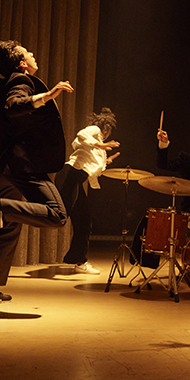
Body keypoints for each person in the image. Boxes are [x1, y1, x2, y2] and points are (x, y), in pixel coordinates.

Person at [0, 40, 74, 304]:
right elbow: (15, 105)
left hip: (4, 166)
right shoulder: (20, 81)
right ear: (22, 64)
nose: (34, 54)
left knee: (11, 227)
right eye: (29, 53)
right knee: (58, 215)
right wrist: (46, 97)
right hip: (20, 165)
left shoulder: (2, 87)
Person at [55, 108, 121, 275]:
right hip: (69, 177)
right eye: (109, 131)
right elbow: (81, 135)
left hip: (74, 181)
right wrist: (102, 145)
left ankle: (79, 261)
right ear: (106, 129)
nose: (108, 135)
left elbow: (90, 166)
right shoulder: (94, 131)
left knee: (84, 221)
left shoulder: (98, 147)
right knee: (55, 217)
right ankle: (15, 209)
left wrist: (107, 160)